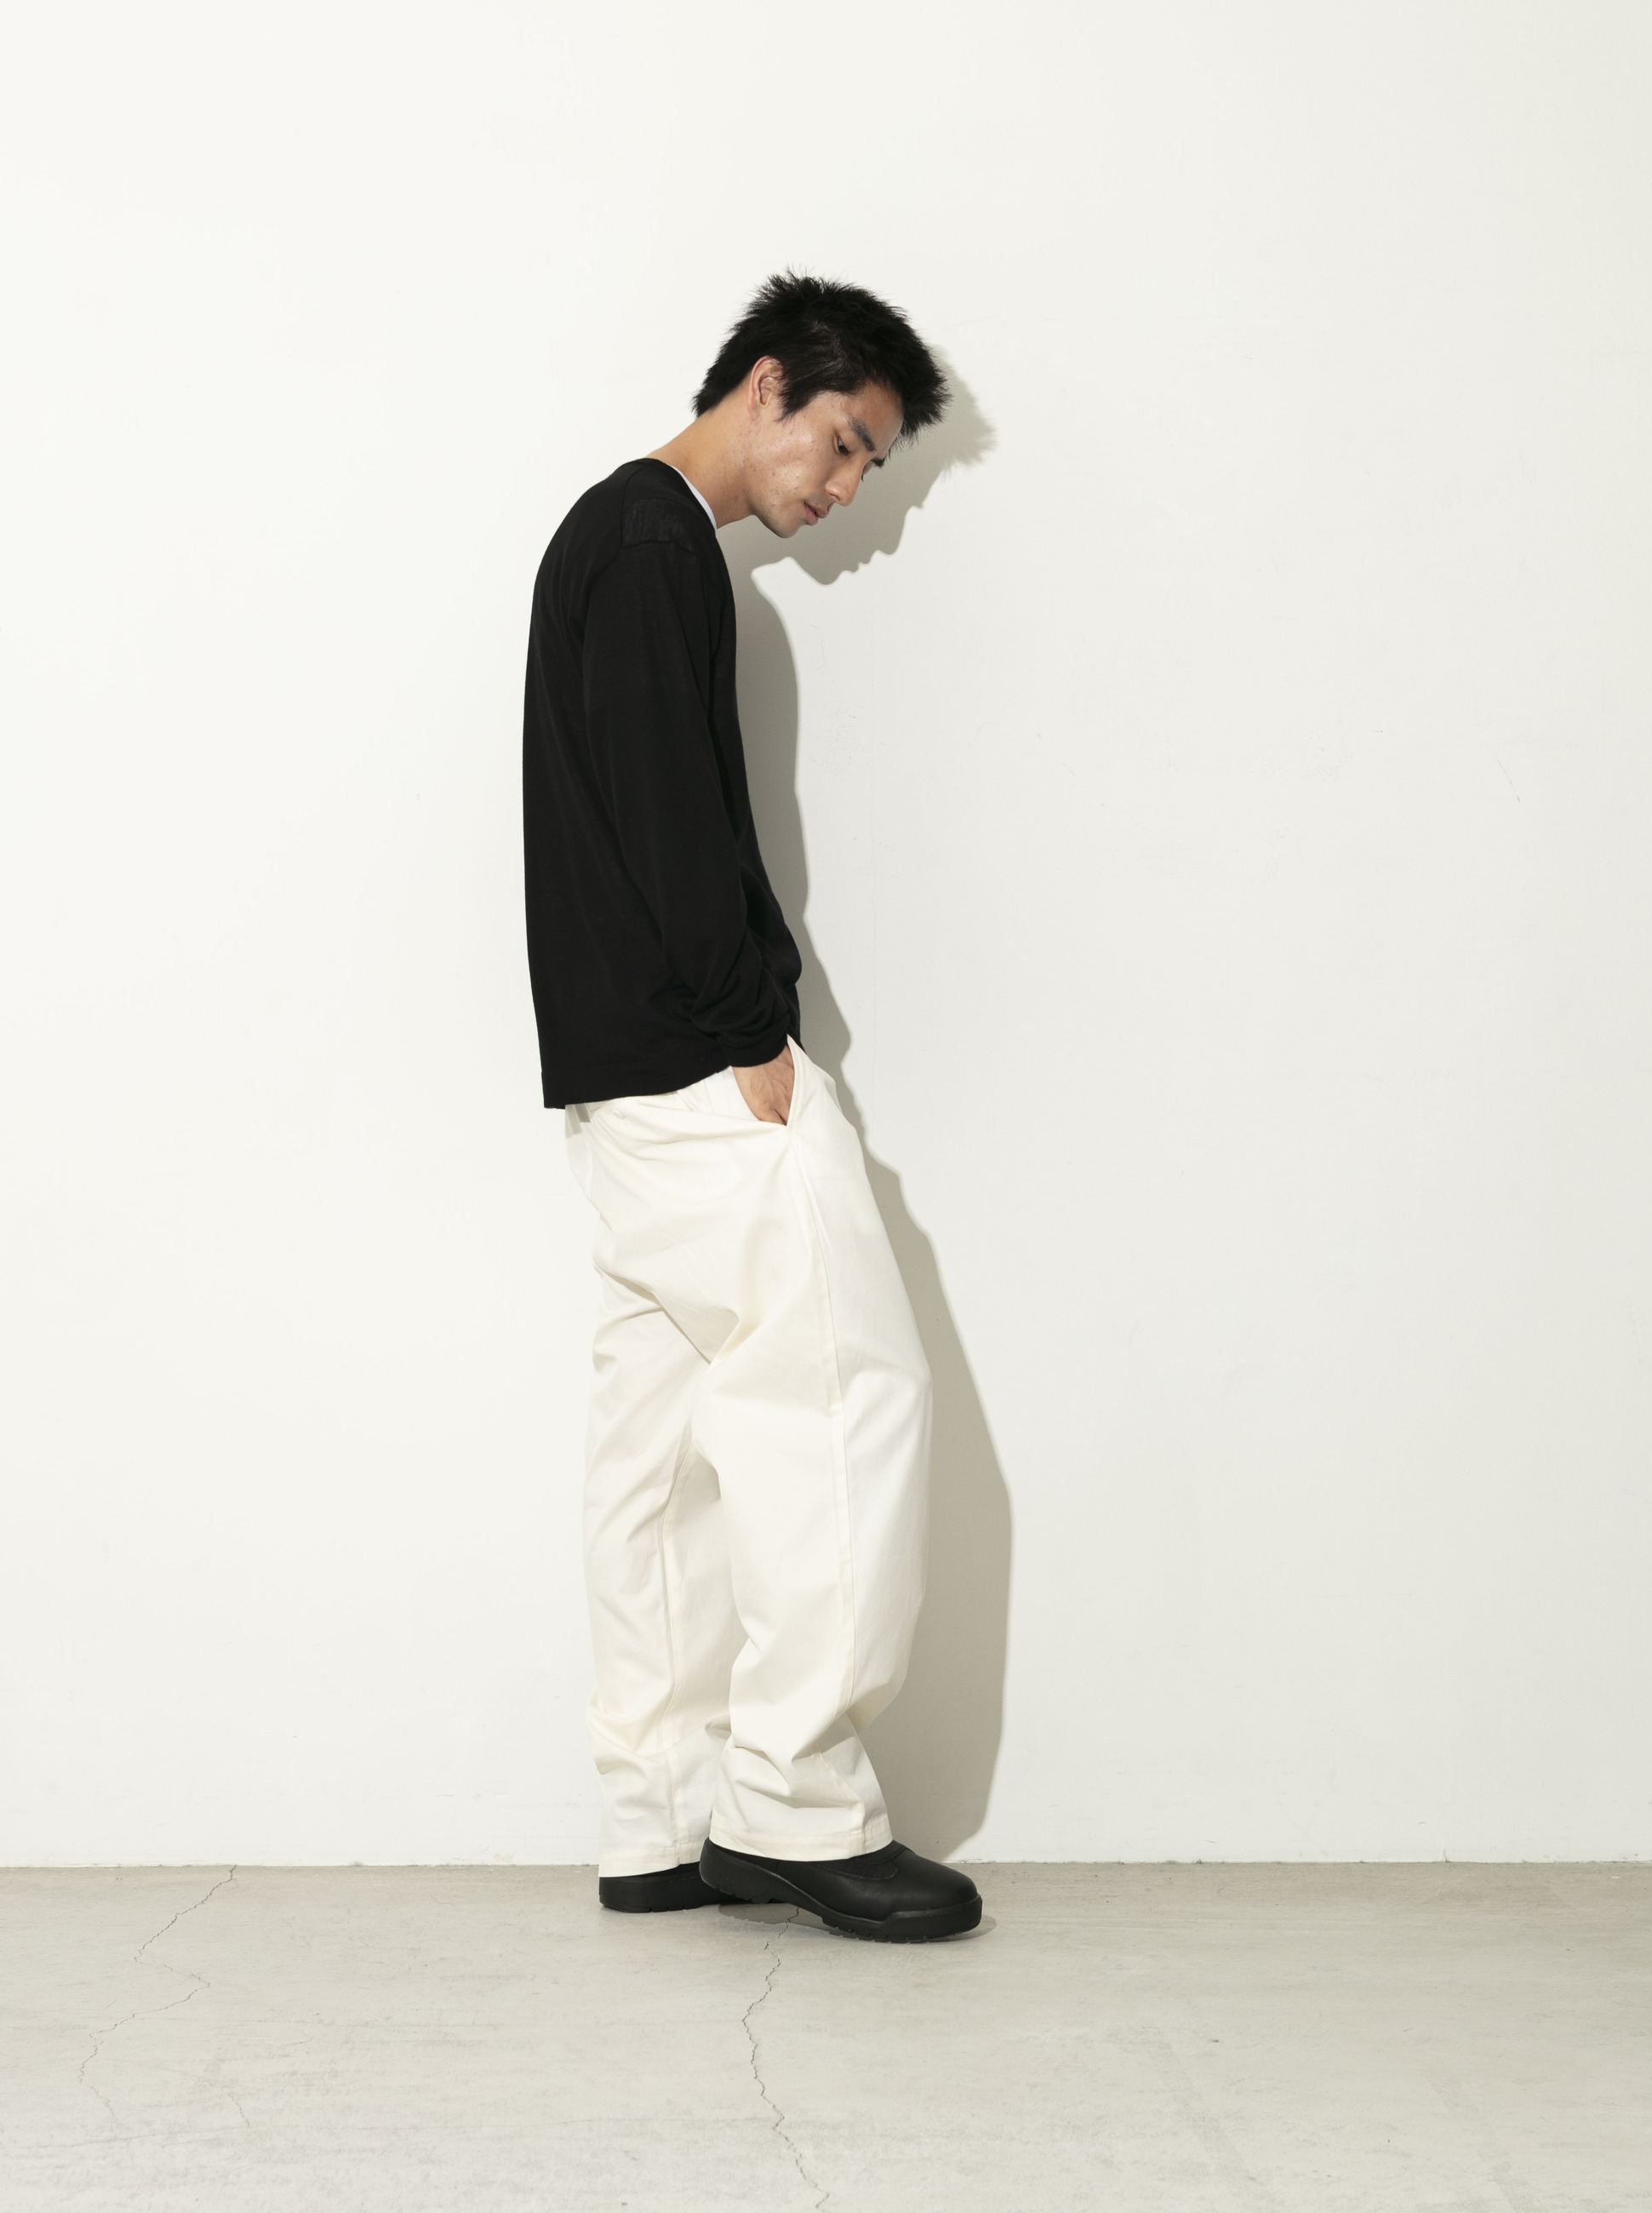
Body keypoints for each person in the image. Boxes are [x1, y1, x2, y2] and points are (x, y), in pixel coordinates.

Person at [522, 274, 980, 1942]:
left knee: (657, 1458)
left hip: (616, 1086)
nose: (846, 489)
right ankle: (794, 1804)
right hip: (698, 1069)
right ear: (769, 383)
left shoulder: (614, 534)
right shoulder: (653, 544)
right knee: (845, 1396)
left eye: (870, 467)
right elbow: (668, 815)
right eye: (844, 442)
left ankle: (655, 1814)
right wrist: (751, 1032)